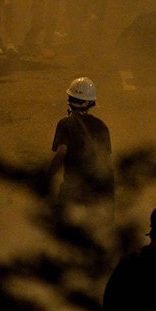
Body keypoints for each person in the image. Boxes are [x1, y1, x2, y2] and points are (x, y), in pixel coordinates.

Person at [49, 77, 114, 232]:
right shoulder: (101, 126)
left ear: (69, 99)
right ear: (91, 102)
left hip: (73, 190)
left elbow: (61, 153)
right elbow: (106, 161)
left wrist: (46, 176)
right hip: (96, 191)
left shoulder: (65, 124)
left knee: (64, 233)